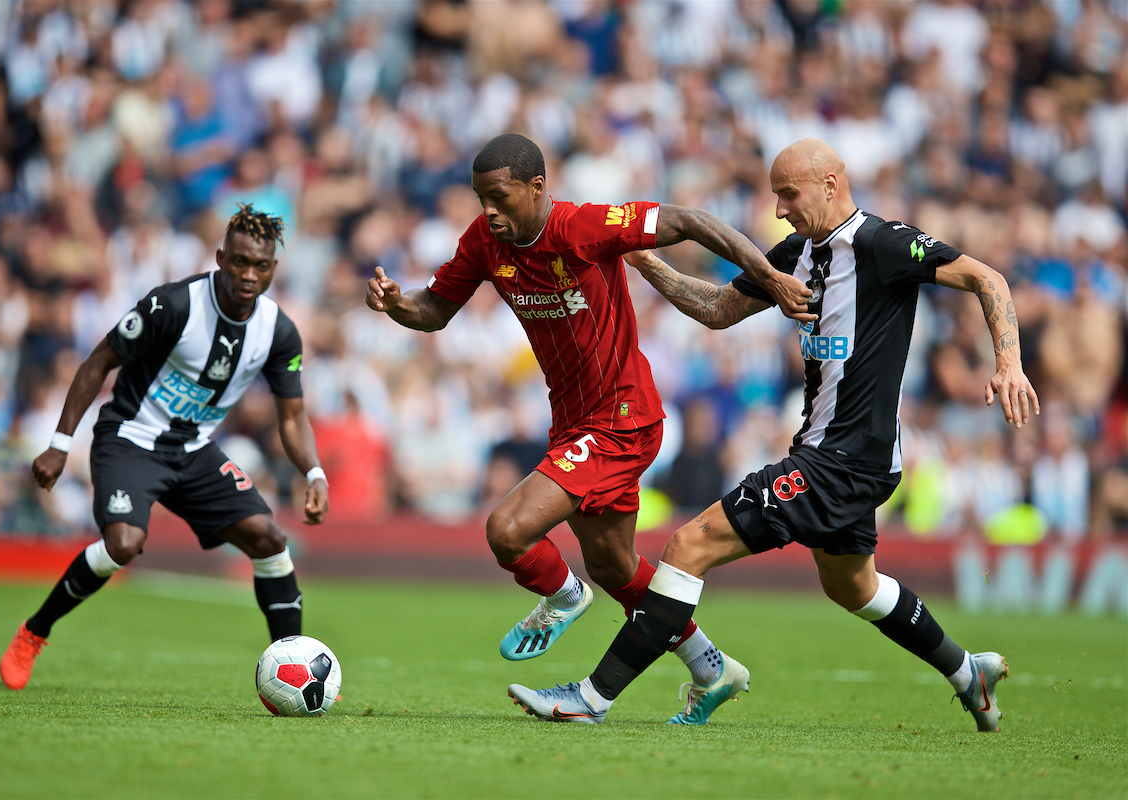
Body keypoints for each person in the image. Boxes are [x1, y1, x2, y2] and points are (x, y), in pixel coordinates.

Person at [508, 138, 1039, 731]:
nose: (780, 209)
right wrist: (647, 263)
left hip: (845, 459)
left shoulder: (885, 244)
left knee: (689, 546)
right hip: (830, 454)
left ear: (830, 185)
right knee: (851, 585)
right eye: (775, 196)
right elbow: (715, 309)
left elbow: (987, 279)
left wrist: (1009, 363)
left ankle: (594, 697)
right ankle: (970, 672)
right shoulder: (795, 253)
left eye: (789, 194)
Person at [366, 133, 812, 723]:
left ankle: (563, 596)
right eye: (480, 199)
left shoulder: (584, 228)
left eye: (499, 197)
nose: (489, 211)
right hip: (575, 425)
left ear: (537, 187)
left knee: (507, 530)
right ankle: (712, 667)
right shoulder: (482, 242)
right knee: (614, 567)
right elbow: (435, 310)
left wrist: (771, 277)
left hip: (622, 419)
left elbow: (693, 220)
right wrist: (398, 305)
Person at [0, 204, 329, 691]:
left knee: (269, 540)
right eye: (239, 261)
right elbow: (98, 362)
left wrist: (315, 474)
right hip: (130, 438)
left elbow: (292, 416)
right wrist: (59, 443)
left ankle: (293, 667)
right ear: (220, 257)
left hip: (194, 449)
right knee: (124, 545)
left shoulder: (278, 332)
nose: (248, 274)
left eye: (260, 266)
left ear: (273, 269)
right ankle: (34, 632)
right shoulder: (174, 305)